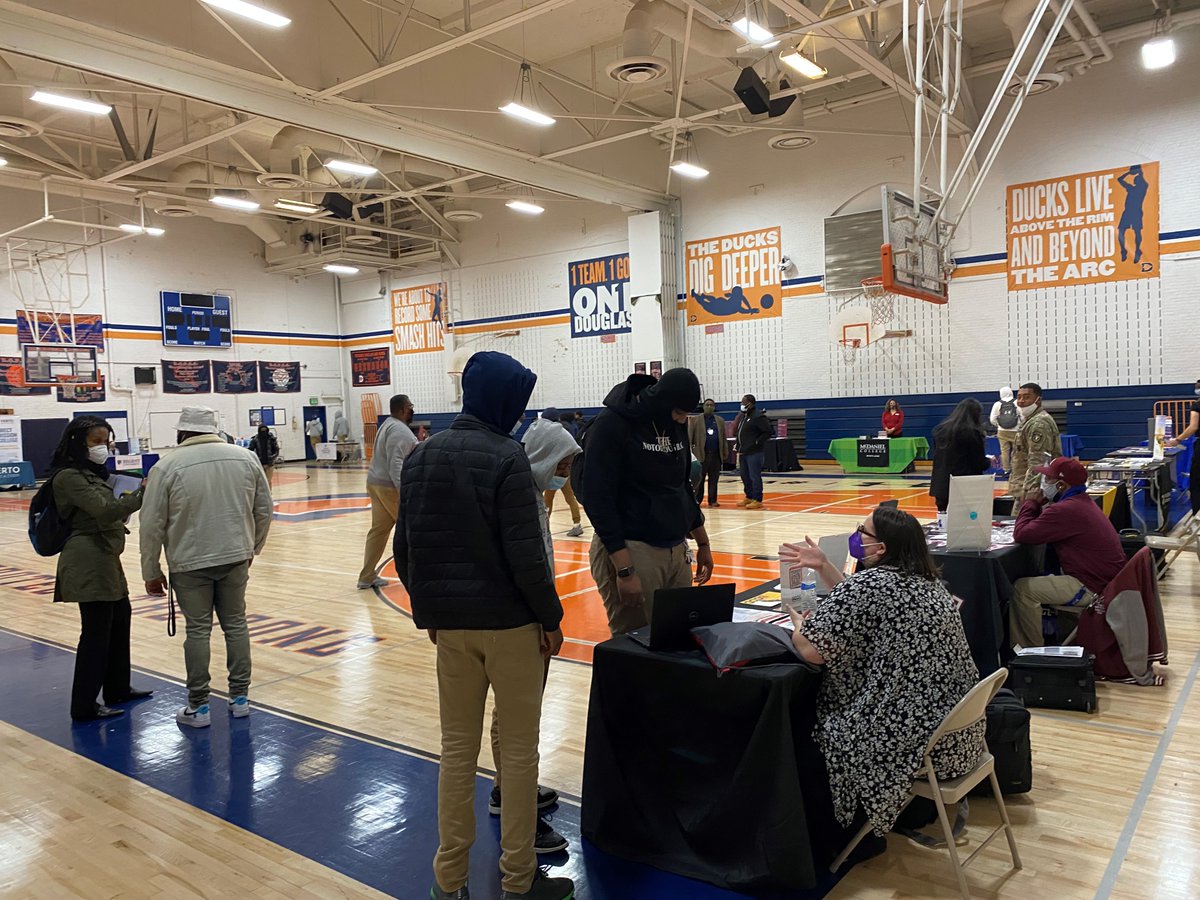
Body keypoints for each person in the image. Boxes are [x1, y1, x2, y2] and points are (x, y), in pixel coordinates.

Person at [393, 351, 573, 900]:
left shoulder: (421, 456)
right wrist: (551, 618)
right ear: (503, 399)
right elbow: (526, 556)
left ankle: (448, 886)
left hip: (452, 633)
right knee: (518, 758)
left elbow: (404, 551)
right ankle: (518, 883)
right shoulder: (508, 456)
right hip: (512, 629)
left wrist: (430, 613)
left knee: (455, 752)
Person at [780, 505, 984, 849]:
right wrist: (825, 567)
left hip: (911, 746)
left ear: (881, 549)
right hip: (962, 738)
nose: (857, 534)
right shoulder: (930, 584)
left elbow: (810, 650)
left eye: (863, 531)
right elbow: (870, 605)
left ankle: (817, 834)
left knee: (808, 723)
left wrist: (802, 625)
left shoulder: (870, 585)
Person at [482, 415, 582, 854]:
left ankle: (510, 788)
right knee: (519, 721)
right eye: (561, 467)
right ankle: (513, 807)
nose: (564, 477)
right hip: (518, 623)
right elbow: (528, 568)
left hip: (516, 618)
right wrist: (548, 620)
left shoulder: (522, 490)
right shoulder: (517, 495)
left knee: (514, 717)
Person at [140, 407, 272, 728]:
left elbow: (151, 524)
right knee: (236, 624)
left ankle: (198, 707)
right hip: (236, 557)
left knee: (197, 630)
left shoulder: (166, 466)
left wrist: (150, 570)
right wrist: (252, 548)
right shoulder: (245, 458)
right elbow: (264, 509)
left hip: (189, 563)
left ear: (181, 433)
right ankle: (240, 698)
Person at [577, 368, 714, 636]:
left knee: (677, 636)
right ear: (661, 401)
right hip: (632, 548)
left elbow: (681, 487)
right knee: (635, 642)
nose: (682, 419)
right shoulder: (612, 424)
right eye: (678, 412)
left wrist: (703, 542)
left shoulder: (674, 423)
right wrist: (625, 570)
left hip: (675, 548)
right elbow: (598, 499)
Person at [50, 416, 150, 722]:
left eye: (106, 441)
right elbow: (106, 510)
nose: (102, 447)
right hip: (87, 560)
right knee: (95, 633)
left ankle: (117, 687)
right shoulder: (69, 477)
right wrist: (143, 493)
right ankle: (83, 705)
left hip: (105, 557)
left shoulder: (92, 473)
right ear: (78, 442)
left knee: (120, 621)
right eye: (96, 441)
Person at [1009, 457, 1126, 649]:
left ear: (1061, 485)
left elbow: (1022, 534)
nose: (1043, 484)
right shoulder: (1081, 502)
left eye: (1047, 480)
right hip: (1104, 580)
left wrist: (1029, 504)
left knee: (1022, 590)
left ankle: (1030, 654)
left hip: (1092, 587)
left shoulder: (1065, 509)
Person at [357, 394, 418, 589]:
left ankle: (366, 576)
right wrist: (405, 492)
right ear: (402, 409)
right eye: (410, 406)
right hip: (388, 487)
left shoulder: (388, 424)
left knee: (379, 531)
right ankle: (418, 575)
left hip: (375, 482)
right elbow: (396, 464)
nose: (412, 409)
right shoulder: (400, 430)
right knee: (412, 530)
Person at [929, 398, 990, 513]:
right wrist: (989, 462)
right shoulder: (972, 433)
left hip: (941, 485)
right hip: (964, 486)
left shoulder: (940, 430)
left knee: (943, 521)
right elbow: (978, 463)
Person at [1010, 382, 1061, 502]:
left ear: (1038, 400)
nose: (1021, 401)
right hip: (1024, 486)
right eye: (1019, 397)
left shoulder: (1038, 424)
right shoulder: (1030, 420)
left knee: (1024, 520)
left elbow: (1038, 461)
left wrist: (1029, 491)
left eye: (1026, 397)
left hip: (1033, 492)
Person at [539, 409, 583, 537]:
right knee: (569, 497)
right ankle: (577, 524)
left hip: (555, 469)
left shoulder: (553, 432)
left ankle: (545, 526)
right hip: (567, 470)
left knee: (548, 499)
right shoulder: (570, 428)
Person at [1164, 377, 1200, 515]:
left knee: (1196, 481)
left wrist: (1178, 439)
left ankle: (1197, 513)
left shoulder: (1197, 405)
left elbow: (1193, 427)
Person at [688, 398, 728, 508]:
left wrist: (724, 452)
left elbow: (723, 438)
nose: (709, 407)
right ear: (703, 406)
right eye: (707, 405)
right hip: (701, 454)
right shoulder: (695, 420)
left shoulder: (720, 420)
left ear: (714, 407)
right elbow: (690, 437)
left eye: (711, 405)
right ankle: (697, 500)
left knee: (714, 479)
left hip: (715, 454)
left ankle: (713, 500)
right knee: (700, 479)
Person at [734, 394, 772, 510]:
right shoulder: (743, 416)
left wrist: (756, 442)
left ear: (751, 403)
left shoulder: (758, 416)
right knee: (744, 476)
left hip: (754, 452)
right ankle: (749, 496)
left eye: (744, 403)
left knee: (754, 476)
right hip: (743, 452)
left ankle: (757, 499)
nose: (742, 405)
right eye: (742, 403)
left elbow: (768, 432)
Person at [1117, 164, 1149, 264]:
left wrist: (1136, 172)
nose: (1135, 179)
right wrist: (1130, 172)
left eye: (1136, 179)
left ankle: (1137, 251)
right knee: (1121, 231)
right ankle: (1123, 250)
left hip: (1136, 212)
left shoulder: (1142, 187)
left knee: (1137, 232)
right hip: (1127, 212)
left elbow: (1121, 179)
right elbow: (1119, 179)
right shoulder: (1131, 188)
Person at [989, 386, 1020, 475]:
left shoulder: (997, 404)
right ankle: (1016, 469)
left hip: (1002, 431)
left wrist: (999, 425)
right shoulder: (1017, 402)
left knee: (1004, 451)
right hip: (1016, 431)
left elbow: (992, 419)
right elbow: (1023, 416)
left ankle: (1006, 470)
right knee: (1017, 450)